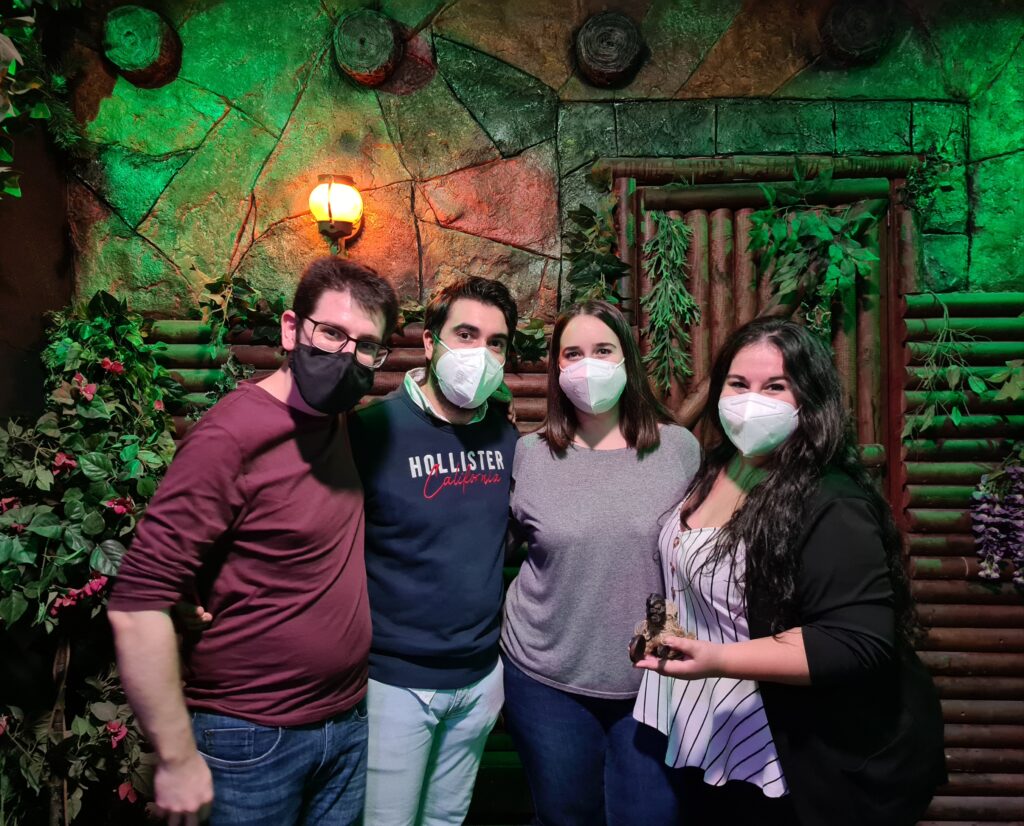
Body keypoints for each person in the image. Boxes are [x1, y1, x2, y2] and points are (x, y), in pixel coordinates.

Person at [107, 257, 399, 826]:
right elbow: (137, 604)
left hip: (345, 723)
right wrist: (176, 759)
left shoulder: (336, 419)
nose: (347, 356)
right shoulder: (230, 436)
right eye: (332, 333)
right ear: (292, 329)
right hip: (251, 737)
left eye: (367, 346)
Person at [634, 317, 947, 826]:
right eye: (738, 384)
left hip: (795, 753)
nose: (751, 401)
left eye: (775, 387)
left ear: (809, 399)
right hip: (715, 724)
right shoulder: (721, 464)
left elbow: (856, 641)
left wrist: (718, 658)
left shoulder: (831, 500)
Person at [500, 299, 701, 825]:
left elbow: (697, 559)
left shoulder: (678, 449)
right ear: (557, 366)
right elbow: (494, 546)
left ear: (626, 358)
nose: (588, 365)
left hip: (652, 679)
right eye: (573, 353)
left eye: (603, 350)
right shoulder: (531, 454)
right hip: (546, 677)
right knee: (565, 815)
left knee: (651, 816)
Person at [348, 276, 520, 826]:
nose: (481, 353)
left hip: (480, 678)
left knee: (447, 820)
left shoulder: (506, 439)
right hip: (394, 684)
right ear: (430, 342)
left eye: (495, 342)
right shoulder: (371, 431)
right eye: (466, 335)